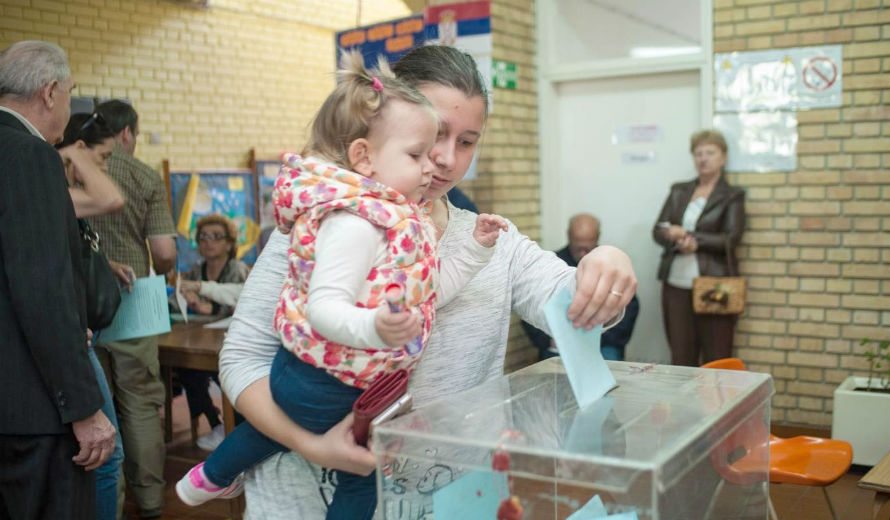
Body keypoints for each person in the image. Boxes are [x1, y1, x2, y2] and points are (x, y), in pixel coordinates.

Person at [218, 45, 638, 518]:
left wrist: (608, 263)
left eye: (466, 141)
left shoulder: (491, 241)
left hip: (451, 500)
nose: (445, 158)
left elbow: (572, 300)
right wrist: (313, 445)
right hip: (304, 496)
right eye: (434, 134)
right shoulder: (319, 228)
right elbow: (240, 360)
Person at [178, 51, 506, 518]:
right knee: (351, 471)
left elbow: (428, 291)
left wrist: (474, 250)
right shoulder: (355, 222)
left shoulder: (398, 220)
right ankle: (210, 476)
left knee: (323, 457)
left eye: (466, 141)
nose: (437, 163)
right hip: (322, 381)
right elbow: (324, 308)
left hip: (353, 382)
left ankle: (209, 477)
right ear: (364, 156)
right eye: (417, 153)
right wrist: (377, 328)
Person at [0, 40, 116, 520]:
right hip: (32, 408)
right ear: (49, 92)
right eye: (69, 93)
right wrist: (84, 408)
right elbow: (41, 287)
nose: (68, 105)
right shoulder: (29, 155)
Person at [88, 99, 177, 519]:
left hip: (83, 304)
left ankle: (111, 501)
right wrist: (165, 270)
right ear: (127, 133)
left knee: (98, 407)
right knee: (140, 404)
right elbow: (164, 253)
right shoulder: (144, 177)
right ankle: (152, 502)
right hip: (133, 301)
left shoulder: (69, 169)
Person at [56, 111, 128, 520]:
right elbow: (110, 199)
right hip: (70, 337)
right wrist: (78, 155)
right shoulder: (51, 189)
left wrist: (106, 262)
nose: (103, 169)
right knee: (107, 454)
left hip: (78, 330)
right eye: (102, 158)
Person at [653, 129, 745, 366]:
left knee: (717, 357)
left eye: (710, 153)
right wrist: (673, 238)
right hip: (675, 284)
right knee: (681, 357)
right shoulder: (679, 190)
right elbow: (658, 230)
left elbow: (731, 238)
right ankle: (685, 405)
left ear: (723, 157)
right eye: (698, 153)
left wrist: (692, 239)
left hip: (714, 285)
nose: (703, 158)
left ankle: (717, 404)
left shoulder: (732, 195)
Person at [174, 214, 250, 452]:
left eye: (216, 237)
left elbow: (240, 301)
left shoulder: (237, 269)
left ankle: (238, 425)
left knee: (225, 372)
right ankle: (214, 421)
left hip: (232, 340)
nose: (208, 243)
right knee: (186, 368)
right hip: (202, 337)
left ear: (229, 243)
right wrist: (189, 302)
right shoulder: (197, 270)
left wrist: (208, 306)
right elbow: (180, 303)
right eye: (203, 237)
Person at [522, 213, 640, 361]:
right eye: (578, 247)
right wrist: (547, 341)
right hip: (558, 344)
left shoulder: (610, 264)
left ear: (597, 237)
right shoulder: (553, 262)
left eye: (587, 247)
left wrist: (599, 337)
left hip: (604, 343)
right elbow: (529, 302)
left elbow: (628, 308)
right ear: (569, 237)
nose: (583, 253)